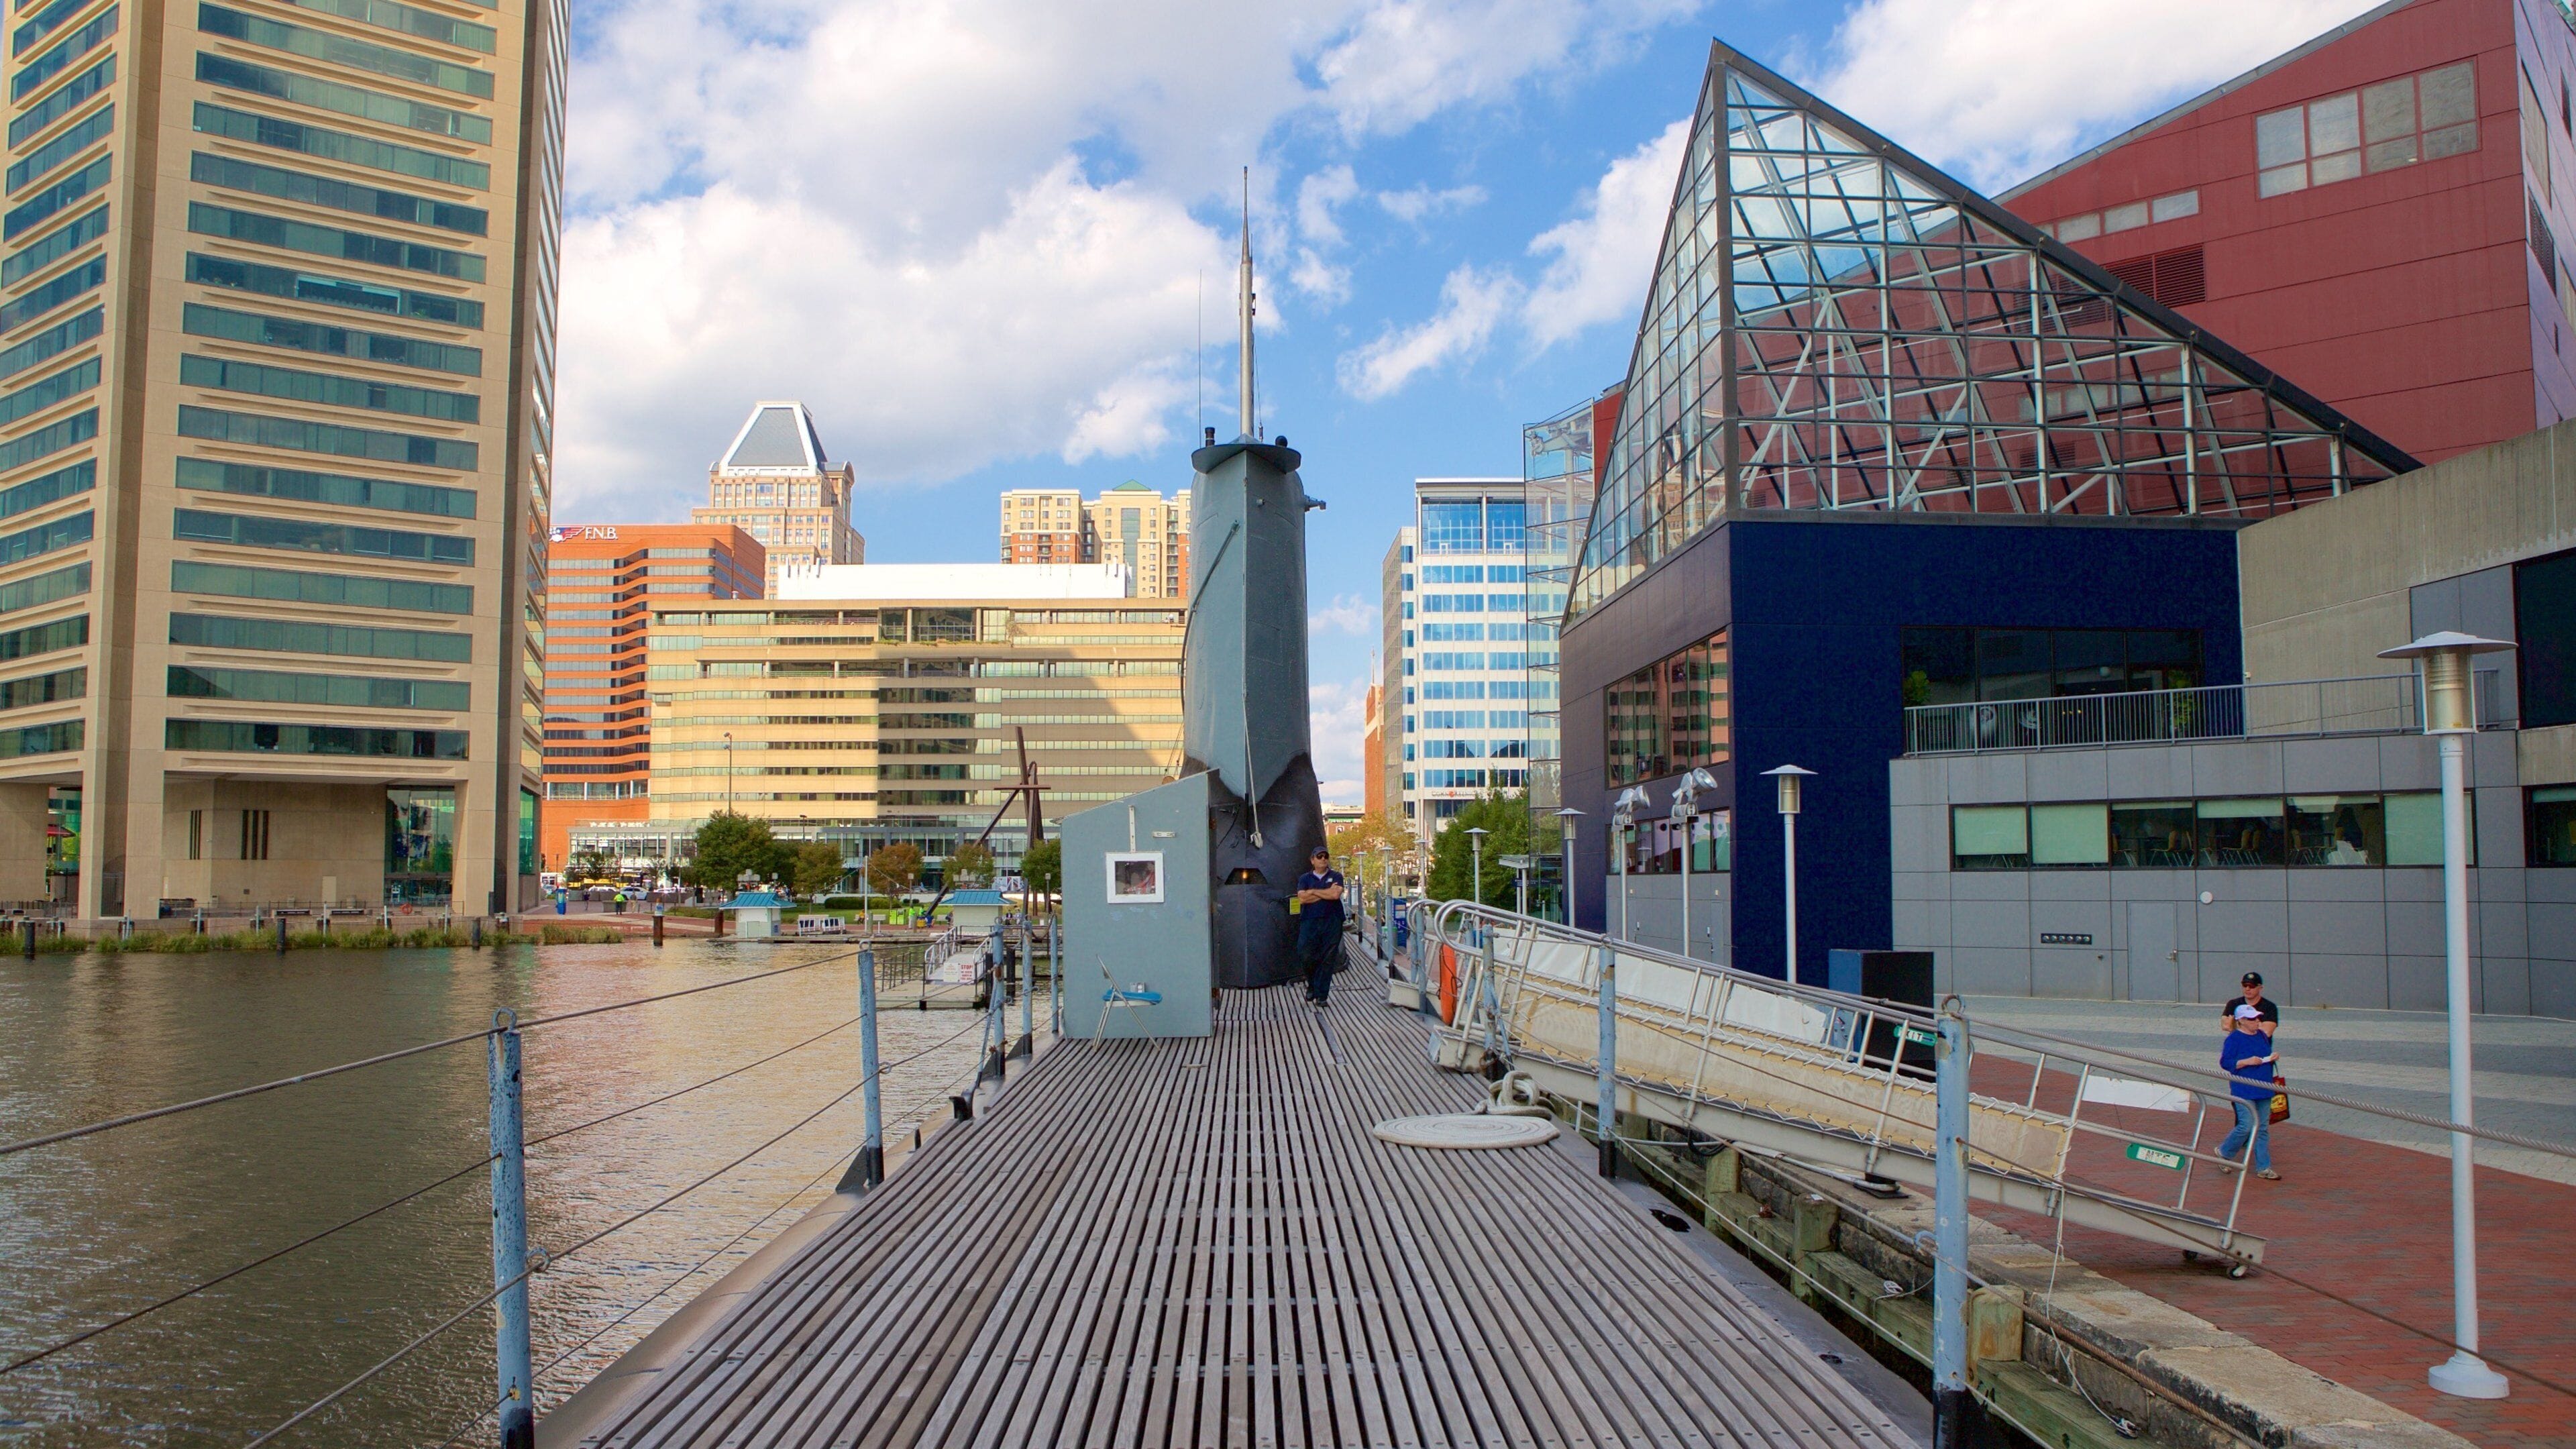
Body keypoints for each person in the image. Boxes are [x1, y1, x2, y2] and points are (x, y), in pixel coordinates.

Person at [2218, 990, 2283, 1180]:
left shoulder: (2261, 1036)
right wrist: (2245, 1062)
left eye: (2257, 1018)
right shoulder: (2234, 1039)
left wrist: (2271, 1058)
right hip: (2243, 1089)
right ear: (2242, 1021)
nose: (2257, 1022)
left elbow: (2264, 1056)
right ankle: (2225, 1152)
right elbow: (2226, 1063)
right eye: (2253, 1019)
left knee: (2262, 1128)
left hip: (2264, 1087)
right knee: (2245, 1126)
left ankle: (2263, 1167)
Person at [1293, 847, 1346, 1006]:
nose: (1323, 859)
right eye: (1319, 856)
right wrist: (1325, 893)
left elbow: (1335, 895)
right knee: (1305, 954)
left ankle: (1322, 996)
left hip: (1332, 921)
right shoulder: (1305, 878)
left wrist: (1313, 893)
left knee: (1328, 958)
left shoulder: (1336, 876)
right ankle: (1312, 984)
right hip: (1310, 920)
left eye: (1325, 856)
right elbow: (1302, 899)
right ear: (1313, 860)